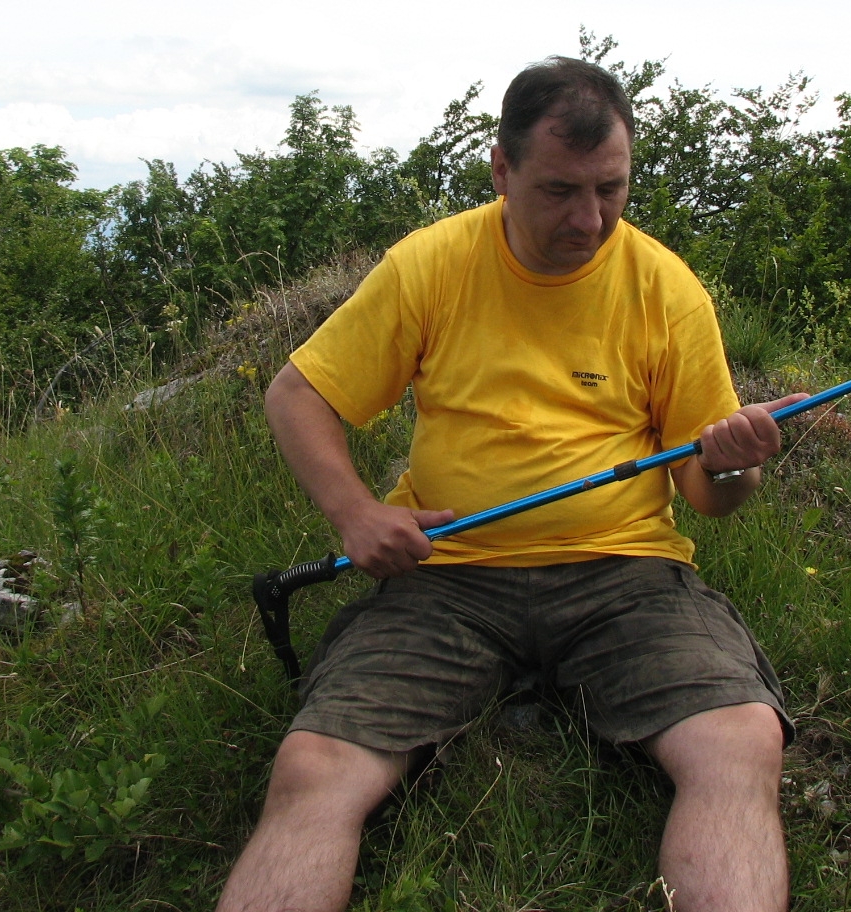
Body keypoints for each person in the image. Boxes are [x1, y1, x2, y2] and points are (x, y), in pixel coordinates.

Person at [216, 56, 806, 912]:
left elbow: (709, 495)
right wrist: (355, 513)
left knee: (740, 741)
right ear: (502, 169)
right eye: (560, 190)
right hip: (445, 578)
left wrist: (733, 463)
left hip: (625, 575)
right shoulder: (431, 264)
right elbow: (297, 394)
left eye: (611, 189)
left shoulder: (666, 288)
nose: (590, 219)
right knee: (315, 765)